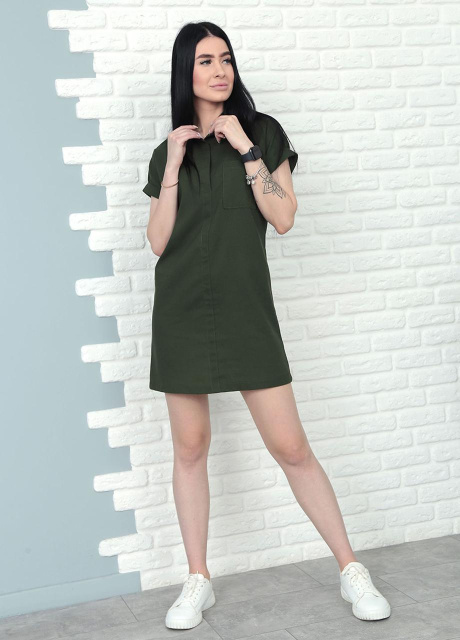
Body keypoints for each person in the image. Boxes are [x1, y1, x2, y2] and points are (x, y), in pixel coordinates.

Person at [143, 21, 391, 631]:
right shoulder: (169, 149)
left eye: (226, 59)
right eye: (206, 60)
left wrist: (245, 148)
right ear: (185, 72)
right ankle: (197, 578)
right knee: (190, 449)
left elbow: (282, 218)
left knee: (292, 448)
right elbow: (158, 242)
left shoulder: (263, 132)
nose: (220, 70)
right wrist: (173, 163)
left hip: (247, 311)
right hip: (180, 312)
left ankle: (351, 567)